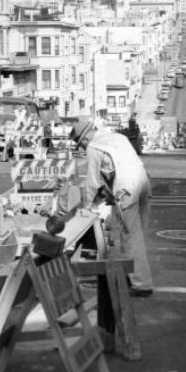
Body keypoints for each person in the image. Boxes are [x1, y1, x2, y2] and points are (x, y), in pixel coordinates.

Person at [70, 117, 154, 297]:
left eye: (81, 145)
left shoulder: (94, 147)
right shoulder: (117, 137)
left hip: (127, 190)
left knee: (131, 238)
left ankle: (142, 285)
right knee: (138, 235)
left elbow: (92, 183)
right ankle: (134, 274)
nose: (83, 148)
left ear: (85, 139)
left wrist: (86, 207)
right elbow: (119, 167)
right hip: (144, 182)